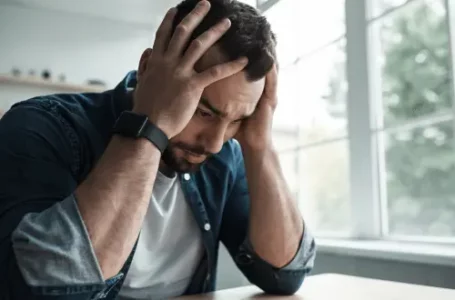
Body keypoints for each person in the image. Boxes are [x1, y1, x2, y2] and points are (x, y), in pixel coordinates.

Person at [0, 0, 316, 299]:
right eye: (204, 112)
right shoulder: (41, 126)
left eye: (237, 120)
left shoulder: (225, 157)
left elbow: (284, 274)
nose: (215, 143)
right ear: (148, 69)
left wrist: (260, 145)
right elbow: (44, 287)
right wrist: (150, 124)